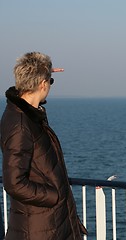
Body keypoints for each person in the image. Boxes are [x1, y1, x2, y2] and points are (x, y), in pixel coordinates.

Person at [0, 52, 87, 239]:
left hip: (46, 223)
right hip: (40, 227)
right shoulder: (22, 125)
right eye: (50, 81)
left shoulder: (24, 114)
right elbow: (14, 183)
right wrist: (53, 196)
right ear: (42, 84)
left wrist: (43, 72)